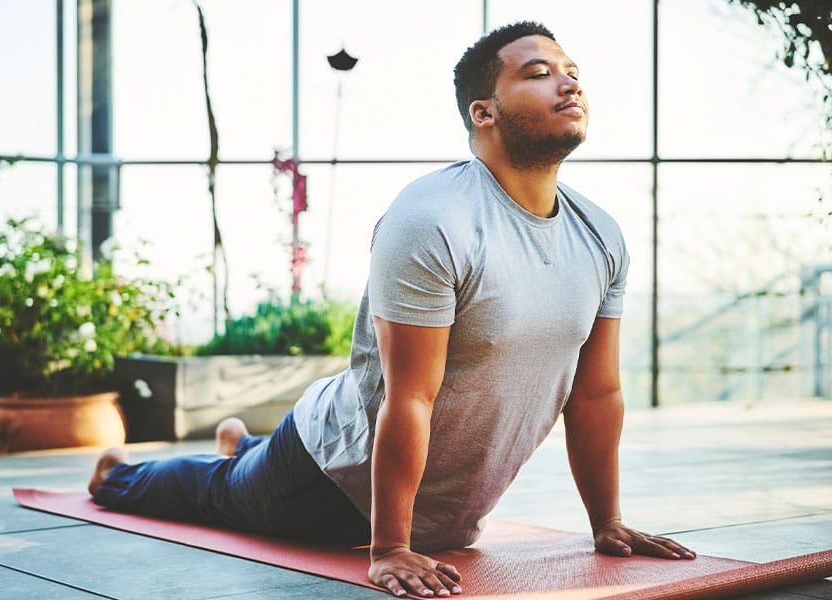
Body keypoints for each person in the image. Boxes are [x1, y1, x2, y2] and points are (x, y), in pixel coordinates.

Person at [88, 20, 696, 598]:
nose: (569, 83)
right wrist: (389, 547)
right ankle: (120, 473)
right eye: (538, 72)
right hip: (333, 475)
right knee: (218, 494)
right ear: (483, 112)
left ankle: (241, 444)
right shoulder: (433, 217)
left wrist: (607, 521)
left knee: (241, 470)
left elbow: (595, 394)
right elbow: (409, 395)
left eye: (572, 70)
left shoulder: (600, 233)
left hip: (438, 502)